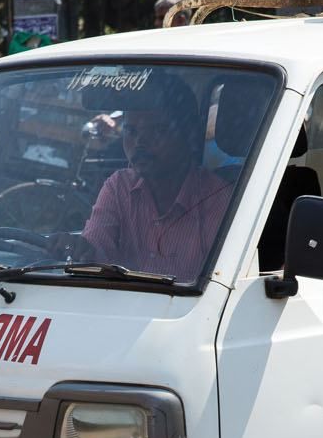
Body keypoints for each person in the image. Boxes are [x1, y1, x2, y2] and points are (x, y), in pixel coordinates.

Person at [53, 74, 231, 282]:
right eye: (131, 131)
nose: (140, 142)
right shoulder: (119, 186)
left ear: (187, 135)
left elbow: (219, 286)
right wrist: (80, 250)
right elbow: (95, 251)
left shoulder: (218, 199)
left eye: (157, 130)